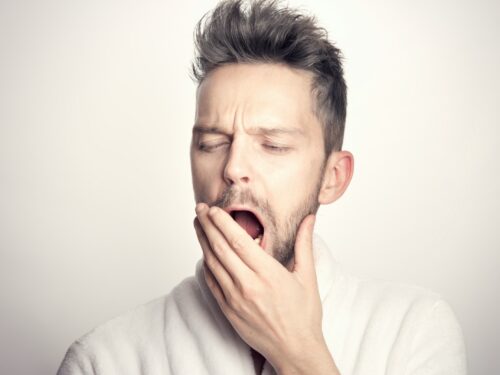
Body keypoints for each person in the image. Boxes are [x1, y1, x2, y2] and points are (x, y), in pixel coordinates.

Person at [57, 1, 467, 374]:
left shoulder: (414, 331)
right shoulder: (104, 359)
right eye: (212, 144)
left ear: (332, 178)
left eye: (273, 145)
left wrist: (297, 351)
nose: (233, 168)